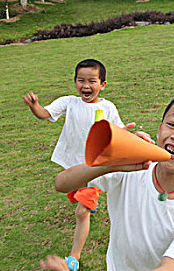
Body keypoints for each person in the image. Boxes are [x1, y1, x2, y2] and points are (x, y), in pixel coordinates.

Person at [40, 88, 174, 271]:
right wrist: (113, 163)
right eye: (172, 124)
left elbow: (168, 266)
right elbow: (62, 184)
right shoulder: (130, 171)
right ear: (159, 129)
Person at [24, 59, 130, 271]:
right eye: (81, 80)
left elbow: (118, 131)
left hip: (96, 169)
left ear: (103, 84)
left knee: (82, 212)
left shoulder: (107, 107)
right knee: (78, 201)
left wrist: (125, 134)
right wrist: (35, 106)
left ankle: (74, 258)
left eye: (92, 81)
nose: (86, 85)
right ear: (75, 83)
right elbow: (45, 114)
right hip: (73, 166)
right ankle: (89, 202)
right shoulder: (69, 102)